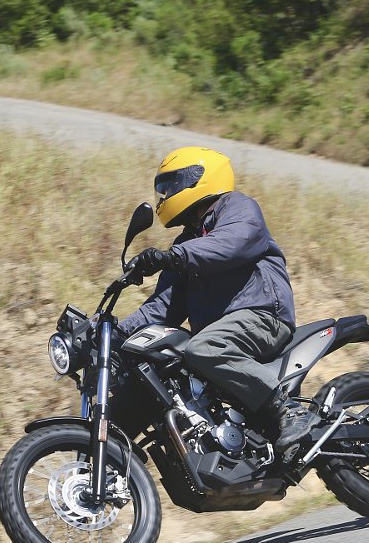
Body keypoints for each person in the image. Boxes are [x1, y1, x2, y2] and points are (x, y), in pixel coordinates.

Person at [118, 146, 317, 463]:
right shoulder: (185, 243)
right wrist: (115, 330)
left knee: (202, 348)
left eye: (171, 185)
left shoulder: (236, 207)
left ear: (198, 178)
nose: (165, 195)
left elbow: (232, 243)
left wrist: (173, 257)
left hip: (262, 316)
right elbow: (163, 308)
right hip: (223, 334)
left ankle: (288, 410)